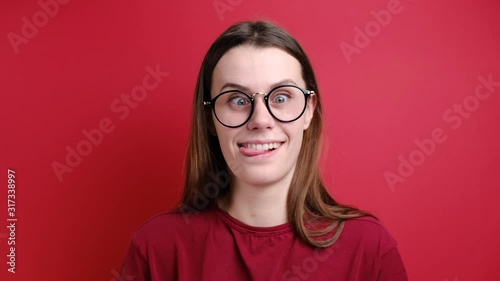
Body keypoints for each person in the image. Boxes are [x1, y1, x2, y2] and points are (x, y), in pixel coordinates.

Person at [120, 20, 408, 281]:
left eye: (281, 97)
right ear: (209, 118)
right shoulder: (156, 248)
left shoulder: (369, 248)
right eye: (237, 100)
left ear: (309, 111)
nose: (260, 120)